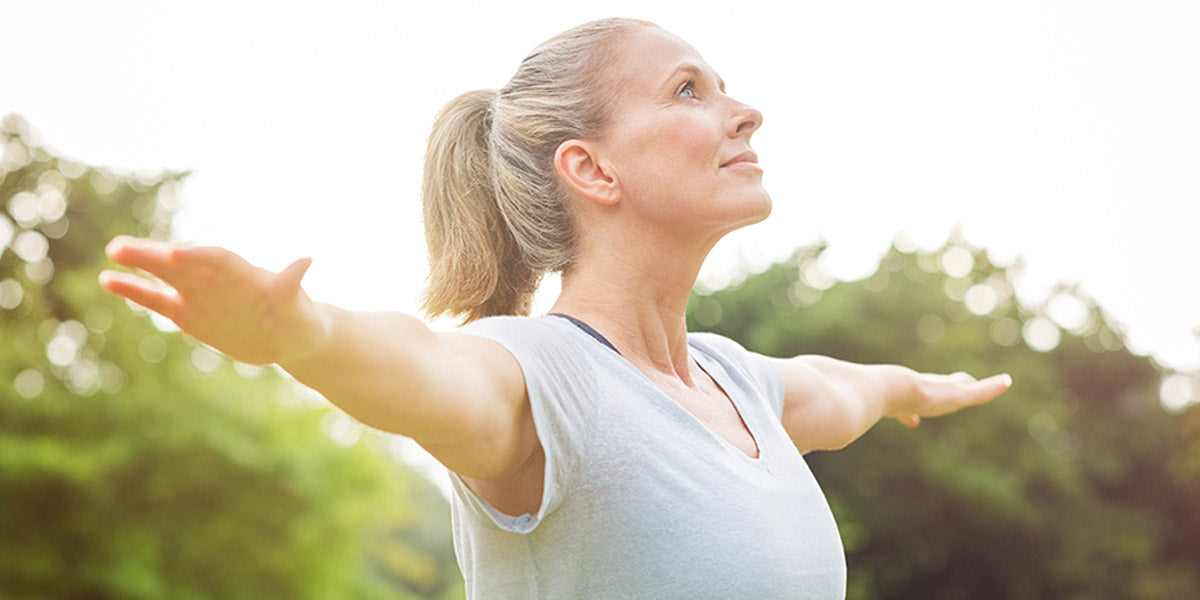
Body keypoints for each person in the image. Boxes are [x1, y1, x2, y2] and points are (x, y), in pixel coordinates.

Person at [100, 18, 1010, 599]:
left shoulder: (744, 386)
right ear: (591, 168)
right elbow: (425, 367)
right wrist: (307, 335)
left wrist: (924, 388)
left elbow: (848, 390)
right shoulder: (543, 378)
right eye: (690, 89)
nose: (746, 113)